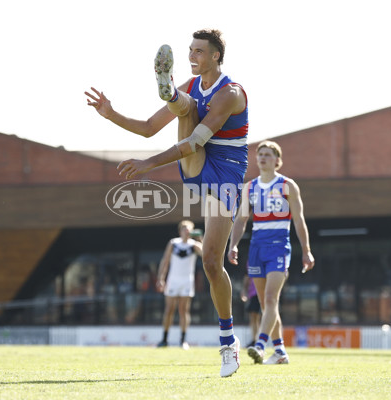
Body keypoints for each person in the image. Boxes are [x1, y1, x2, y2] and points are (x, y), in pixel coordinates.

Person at [85, 29, 248, 377]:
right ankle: (169, 90)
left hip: (226, 174)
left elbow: (193, 142)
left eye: (200, 52)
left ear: (216, 56)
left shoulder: (230, 94)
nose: (193, 55)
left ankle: (228, 340)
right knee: (186, 103)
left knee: (211, 260)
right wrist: (111, 113)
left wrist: (147, 165)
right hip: (197, 160)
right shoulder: (194, 85)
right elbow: (147, 128)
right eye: (190, 50)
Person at [228, 140, 315, 365]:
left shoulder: (287, 186)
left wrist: (306, 251)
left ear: (278, 160)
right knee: (267, 305)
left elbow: (299, 220)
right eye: (260, 154)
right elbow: (241, 219)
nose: (263, 158)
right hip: (257, 247)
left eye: (268, 154)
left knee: (270, 298)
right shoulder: (250, 187)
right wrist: (233, 244)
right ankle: (280, 352)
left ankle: (259, 344)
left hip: (279, 246)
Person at [156, 220, 202, 350]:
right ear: (180, 231)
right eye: (184, 229)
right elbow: (165, 261)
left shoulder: (194, 245)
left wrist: (200, 239)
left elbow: (206, 255)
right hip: (173, 280)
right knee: (169, 309)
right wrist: (161, 278)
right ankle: (164, 339)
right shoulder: (173, 243)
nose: (186, 232)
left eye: (188, 229)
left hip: (187, 281)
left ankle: (183, 340)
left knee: (183, 310)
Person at [241, 268, 261, 348]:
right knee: (254, 318)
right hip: (253, 293)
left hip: (263, 292)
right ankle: (255, 340)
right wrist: (244, 291)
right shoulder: (249, 261)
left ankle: (259, 341)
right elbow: (246, 277)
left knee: (259, 318)